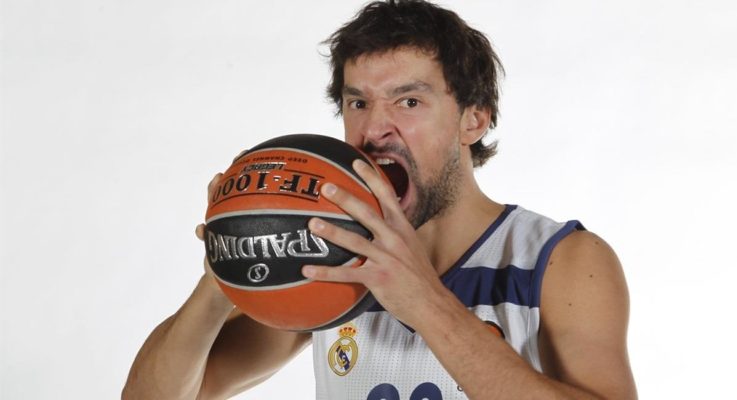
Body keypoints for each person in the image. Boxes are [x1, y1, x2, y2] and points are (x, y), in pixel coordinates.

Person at [123, 1, 637, 399]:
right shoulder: (328, 255)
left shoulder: (562, 261)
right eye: (358, 102)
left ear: (473, 119)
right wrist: (222, 274)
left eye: (408, 101)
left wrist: (424, 302)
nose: (374, 129)